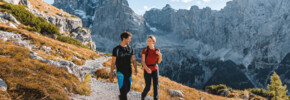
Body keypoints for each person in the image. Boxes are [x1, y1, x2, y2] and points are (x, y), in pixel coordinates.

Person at [109, 32, 138, 100]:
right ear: (124, 39)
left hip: (129, 72)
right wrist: (111, 73)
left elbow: (133, 60)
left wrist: (136, 69)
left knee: (128, 89)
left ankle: (121, 97)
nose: (130, 40)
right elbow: (113, 62)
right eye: (129, 39)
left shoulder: (130, 48)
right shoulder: (116, 49)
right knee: (123, 91)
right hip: (120, 72)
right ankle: (122, 96)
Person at [141, 35, 162, 100]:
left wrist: (160, 55)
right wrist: (147, 69)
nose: (148, 42)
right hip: (147, 69)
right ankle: (143, 96)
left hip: (155, 69)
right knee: (148, 87)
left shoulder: (157, 50)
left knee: (156, 86)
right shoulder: (145, 50)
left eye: (150, 41)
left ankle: (156, 98)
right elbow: (143, 62)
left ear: (153, 42)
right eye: (148, 41)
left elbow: (159, 61)